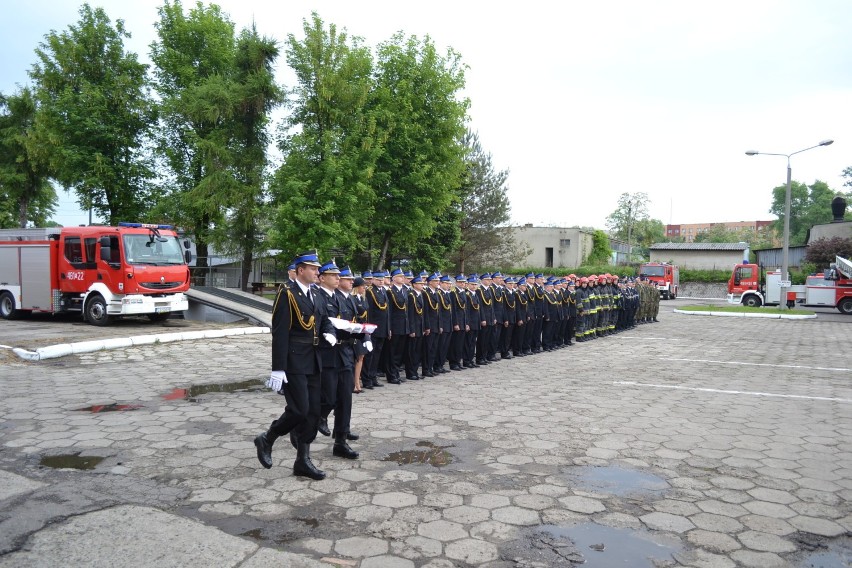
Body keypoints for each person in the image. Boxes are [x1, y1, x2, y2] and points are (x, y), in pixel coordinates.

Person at [253, 250, 336, 480]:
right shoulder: (287, 294)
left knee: (312, 411)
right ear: (301, 270)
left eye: (317, 268)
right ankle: (268, 437)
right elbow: (280, 333)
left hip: (314, 358)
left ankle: (302, 460)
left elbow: (325, 319)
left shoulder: (317, 293)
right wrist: (278, 368)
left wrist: (329, 333)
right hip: (294, 359)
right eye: (313, 268)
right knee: (299, 409)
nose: (317, 272)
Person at [387, 268, 409, 384]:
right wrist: (389, 328)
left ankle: (396, 373)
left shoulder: (404, 291)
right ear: (394, 278)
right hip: (395, 326)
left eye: (403, 276)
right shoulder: (390, 292)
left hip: (403, 326)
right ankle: (391, 375)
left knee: (399, 352)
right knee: (392, 352)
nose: (402, 278)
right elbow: (389, 312)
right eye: (400, 276)